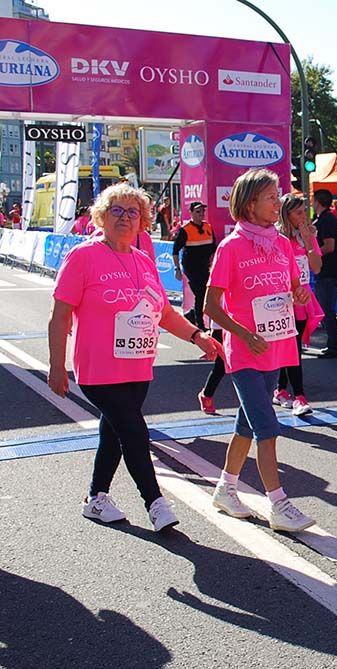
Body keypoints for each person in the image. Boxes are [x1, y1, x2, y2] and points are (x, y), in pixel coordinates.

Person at [47, 183, 223, 531]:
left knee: (114, 432)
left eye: (132, 212)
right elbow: (60, 315)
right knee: (134, 430)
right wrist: (56, 365)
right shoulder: (83, 256)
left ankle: (96, 498)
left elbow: (163, 312)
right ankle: (155, 502)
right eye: (116, 210)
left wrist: (197, 336)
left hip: (138, 364)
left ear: (142, 220)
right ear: (101, 215)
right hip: (98, 368)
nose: (125, 218)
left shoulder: (142, 260)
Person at [203, 168, 315, 533]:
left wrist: (299, 294)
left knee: (246, 426)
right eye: (271, 197)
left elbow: (296, 287)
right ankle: (279, 504)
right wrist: (242, 332)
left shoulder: (282, 243)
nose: (278, 202)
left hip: (277, 347)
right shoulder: (230, 247)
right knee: (267, 427)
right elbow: (211, 305)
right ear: (250, 204)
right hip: (245, 352)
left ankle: (225, 488)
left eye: (278, 195)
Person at [273, 194, 323, 416]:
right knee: (291, 346)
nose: (304, 216)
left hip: (303, 297)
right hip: (282, 298)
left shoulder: (307, 236)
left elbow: (317, 267)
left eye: (305, 211)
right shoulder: (276, 236)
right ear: (287, 214)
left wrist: (309, 241)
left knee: (293, 346)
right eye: (299, 212)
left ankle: (281, 389)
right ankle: (299, 396)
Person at [312, 188, 337, 359]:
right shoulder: (324, 219)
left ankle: (335, 344)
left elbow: (329, 246)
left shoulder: (326, 220)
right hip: (329, 270)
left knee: (326, 309)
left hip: (329, 270)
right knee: (325, 308)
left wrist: (311, 253)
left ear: (316, 202)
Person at [171, 201, 215, 329]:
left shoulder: (208, 227)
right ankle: (200, 325)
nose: (201, 214)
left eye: (202, 211)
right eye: (197, 212)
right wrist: (177, 269)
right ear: (191, 213)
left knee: (205, 294)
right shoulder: (185, 230)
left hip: (204, 267)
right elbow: (175, 251)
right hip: (191, 268)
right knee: (200, 294)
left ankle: (192, 315)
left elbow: (213, 248)